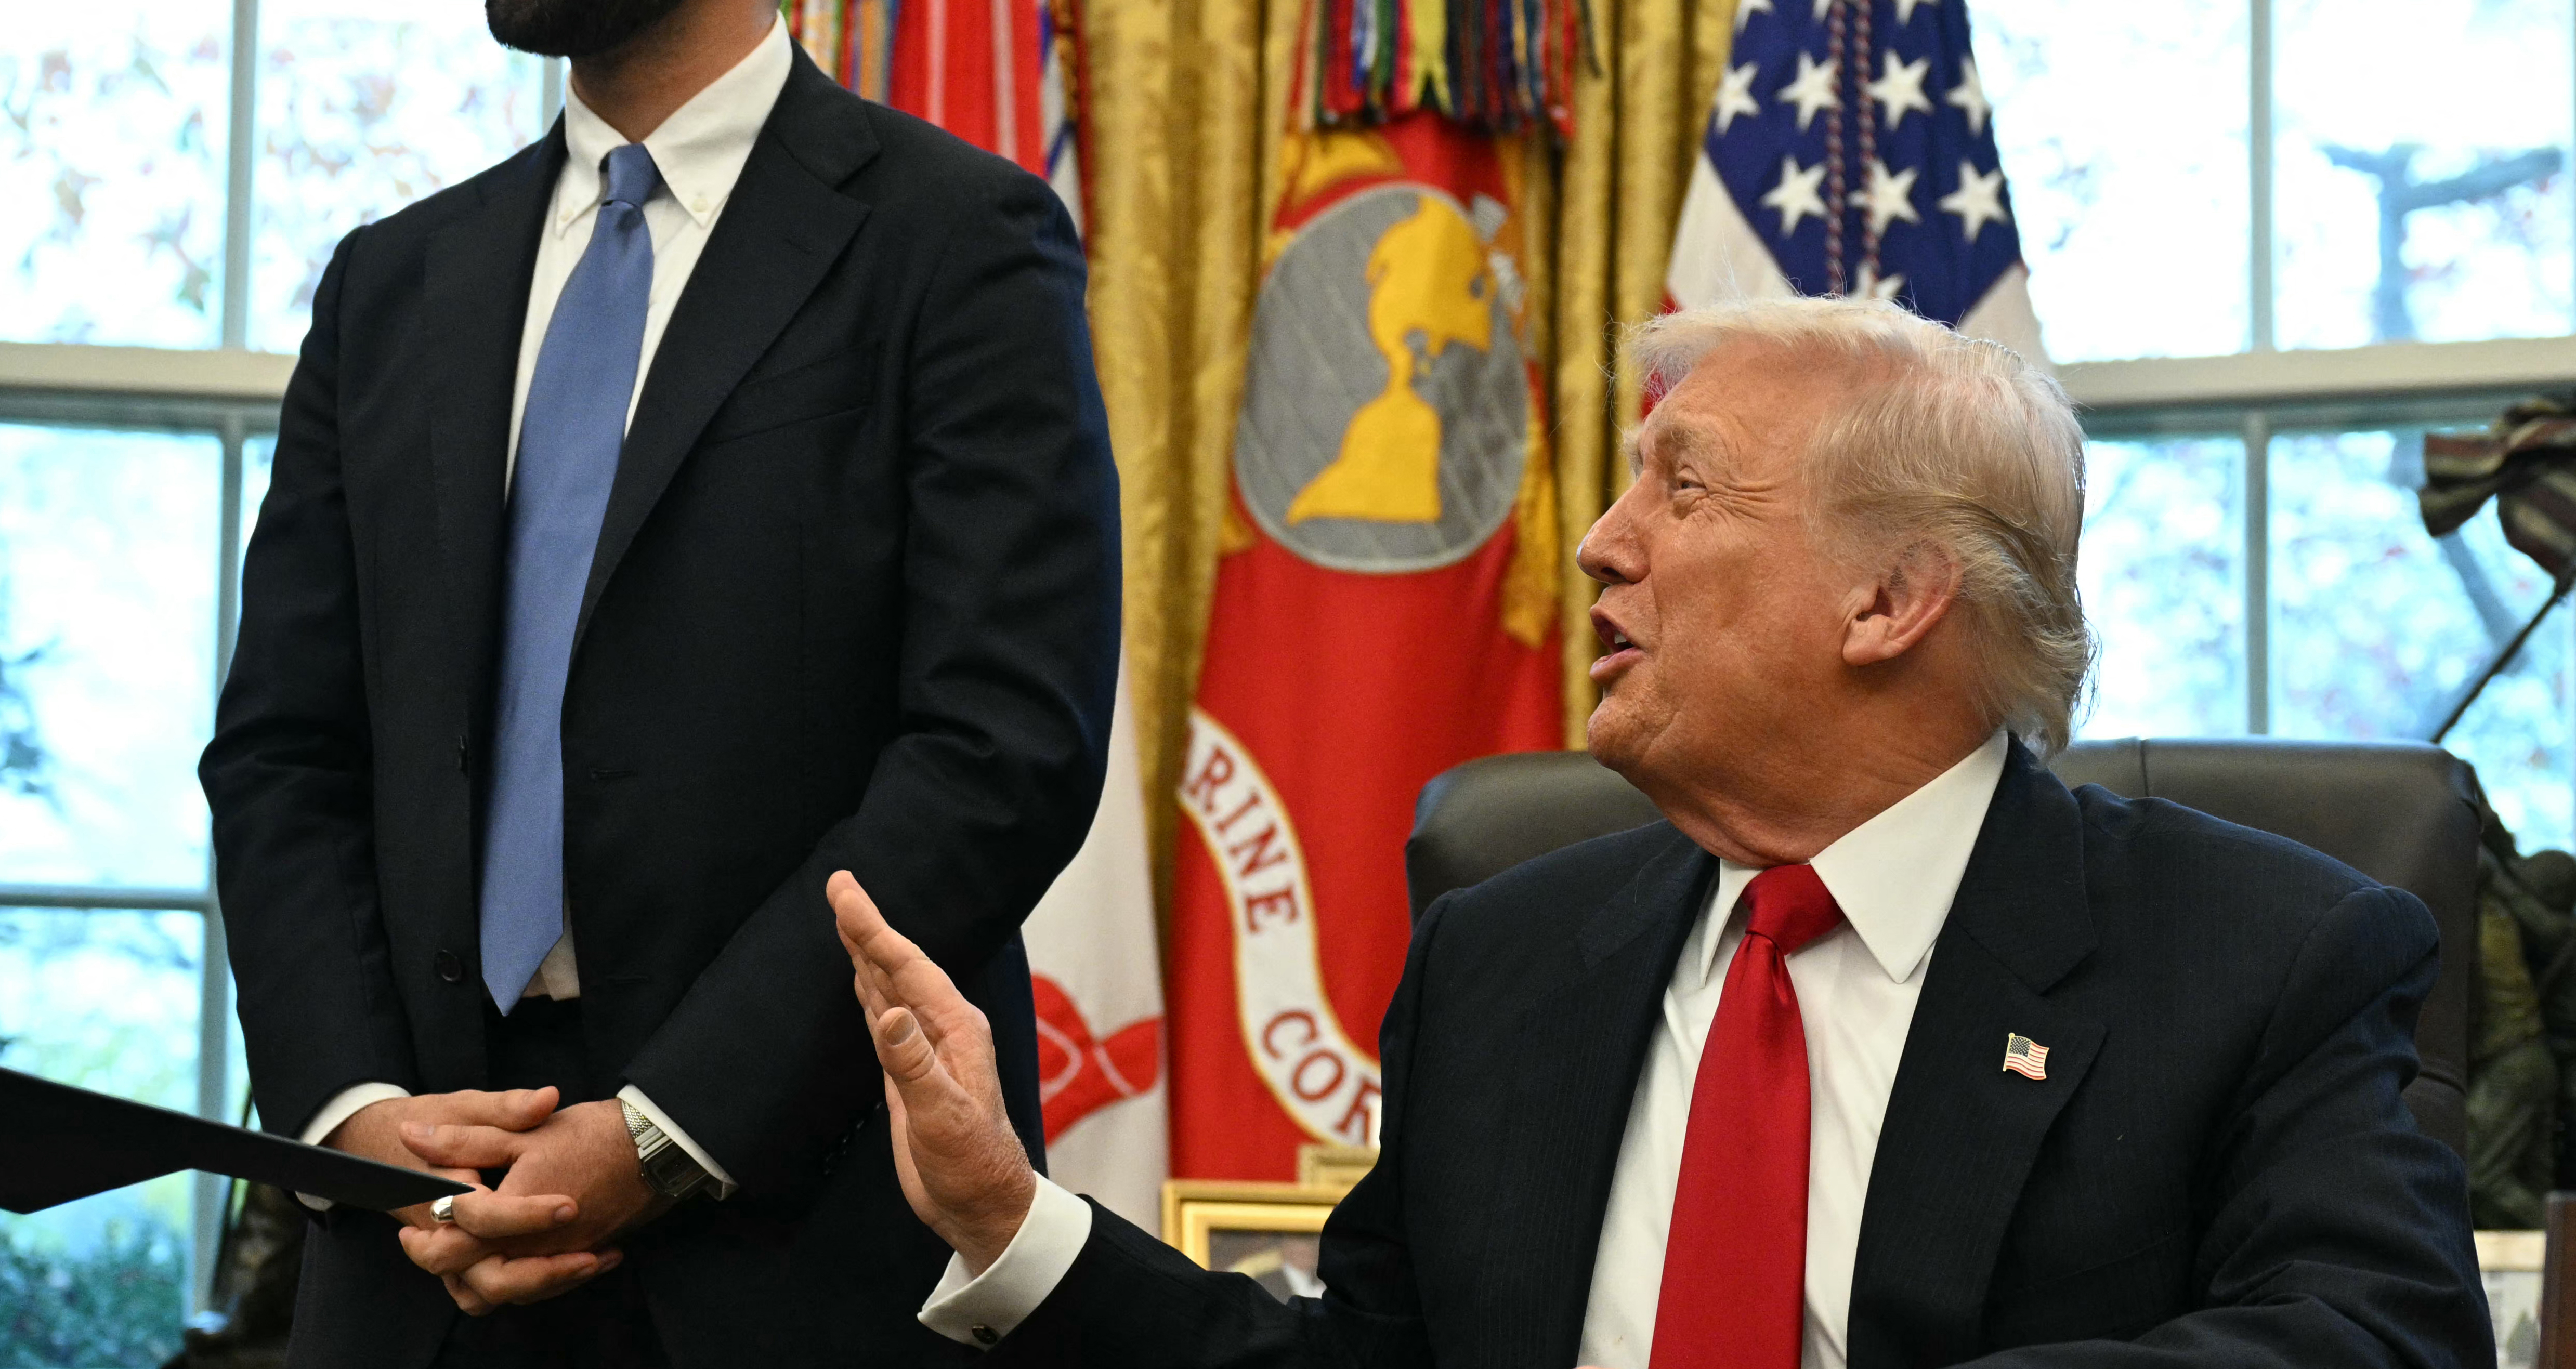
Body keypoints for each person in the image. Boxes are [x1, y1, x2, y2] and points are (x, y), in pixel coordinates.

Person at [827, 296, 2491, 1368]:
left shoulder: (2262, 951)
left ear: (1892, 596)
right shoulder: (1509, 953)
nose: (1603, 546)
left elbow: (2375, 1339)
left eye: (1682, 489)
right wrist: (1009, 1218)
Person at [202, 0, 1121, 1368]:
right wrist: (349, 1111)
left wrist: (661, 1129)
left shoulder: (959, 248)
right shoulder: (392, 285)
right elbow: (286, 749)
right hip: (413, 1260)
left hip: (791, 1250)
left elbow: (998, 747)